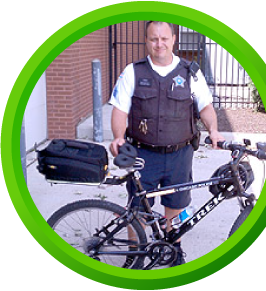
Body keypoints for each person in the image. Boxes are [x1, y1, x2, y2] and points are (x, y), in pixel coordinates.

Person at [109, 21, 224, 268]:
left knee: (176, 204)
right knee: (138, 208)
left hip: (179, 154)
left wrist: (214, 130)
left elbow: (205, 106)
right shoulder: (133, 72)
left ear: (173, 39)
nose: (159, 44)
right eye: (153, 39)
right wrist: (118, 136)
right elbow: (119, 109)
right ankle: (135, 254)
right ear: (146, 41)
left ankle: (173, 246)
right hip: (142, 153)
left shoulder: (190, 72)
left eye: (164, 38)